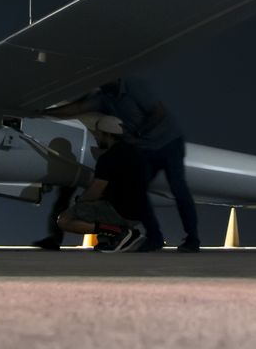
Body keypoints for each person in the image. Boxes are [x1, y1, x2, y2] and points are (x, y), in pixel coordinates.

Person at [46, 77, 199, 251]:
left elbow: (158, 112)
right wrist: (43, 111)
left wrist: (136, 134)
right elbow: (77, 108)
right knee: (138, 191)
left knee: (178, 189)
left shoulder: (135, 86)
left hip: (168, 144)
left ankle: (191, 239)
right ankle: (152, 237)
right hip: (143, 149)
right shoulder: (104, 98)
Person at [52, 115, 150, 253]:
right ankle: (112, 238)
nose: (96, 137)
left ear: (107, 134)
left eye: (98, 134)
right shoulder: (136, 153)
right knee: (98, 205)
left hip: (119, 212)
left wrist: (79, 201)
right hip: (140, 211)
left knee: (64, 220)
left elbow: (96, 190)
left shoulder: (108, 158)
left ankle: (120, 232)